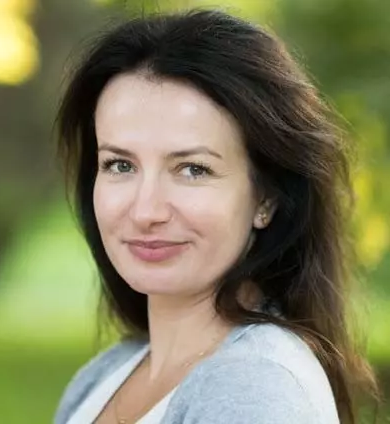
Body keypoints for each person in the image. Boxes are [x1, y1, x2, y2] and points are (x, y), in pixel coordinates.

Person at [53, 8, 380, 424]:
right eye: (120, 165)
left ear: (266, 197)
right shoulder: (103, 378)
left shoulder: (256, 390)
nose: (146, 211)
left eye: (193, 169)